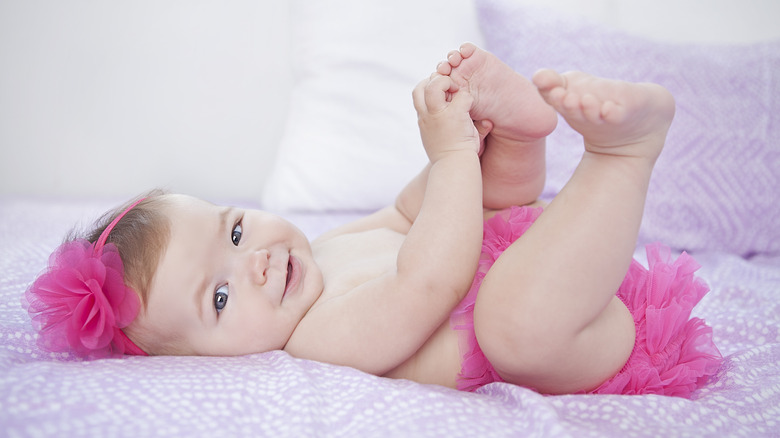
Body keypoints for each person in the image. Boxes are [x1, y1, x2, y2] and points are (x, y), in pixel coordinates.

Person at [25, 43, 722, 397]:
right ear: (200, 364)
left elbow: (408, 214)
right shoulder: (319, 341)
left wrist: (469, 147)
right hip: (580, 339)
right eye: (220, 295)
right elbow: (430, 282)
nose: (255, 261)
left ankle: (520, 136)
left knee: (482, 200)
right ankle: (621, 159)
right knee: (510, 326)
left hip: (558, 268)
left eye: (234, 231)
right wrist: (448, 155)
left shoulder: (322, 255)